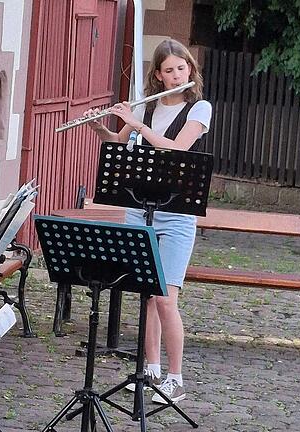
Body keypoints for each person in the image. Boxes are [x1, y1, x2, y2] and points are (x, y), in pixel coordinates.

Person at [85, 38, 212, 404]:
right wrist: (101, 128)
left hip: (176, 216)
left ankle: (176, 378)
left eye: (181, 68)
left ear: (190, 70)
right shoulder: (150, 108)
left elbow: (176, 149)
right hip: (140, 210)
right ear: (157, 74)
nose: (176, 76)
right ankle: (150, 371)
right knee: (146, 296)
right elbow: (117, 141)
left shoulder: (199, 108)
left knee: (165, 297)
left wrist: (137, 124)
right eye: (169, 70)